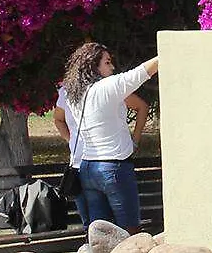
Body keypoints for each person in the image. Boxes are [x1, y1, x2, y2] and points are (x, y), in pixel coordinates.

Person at [60, 43, 159, 232]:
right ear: (92, 66)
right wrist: (168, 51)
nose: (112, 67)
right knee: (129, 232)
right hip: (114, 168)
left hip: (88, 168)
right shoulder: (107, 87)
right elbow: (141, 72)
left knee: (101, 235)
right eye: (107, 62)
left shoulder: (73, 93)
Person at [52, 75, 150, 224]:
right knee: (93, 227)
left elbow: (141, 106)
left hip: (105, 161)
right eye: (107, 62)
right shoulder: (68, 91)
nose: (112, 68)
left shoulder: (107, 89)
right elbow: (58, 118)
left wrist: (134, 141)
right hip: (81, 166)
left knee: (115, 225)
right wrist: (70, 139)